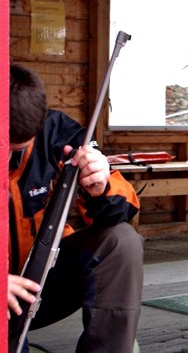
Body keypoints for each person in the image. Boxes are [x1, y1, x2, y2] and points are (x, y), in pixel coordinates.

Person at [8, 63, 144, 352]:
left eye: (18, 151)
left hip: (40, 282)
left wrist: (100, 185)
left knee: (121, 242)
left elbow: (126, 206)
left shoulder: (58, 132)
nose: (9, 157)